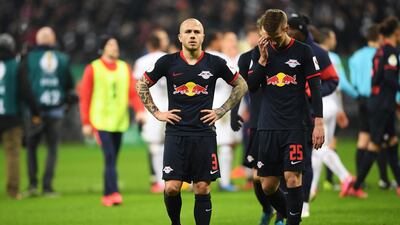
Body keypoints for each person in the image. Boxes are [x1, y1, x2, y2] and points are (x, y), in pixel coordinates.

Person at [136, 18, 247, 225]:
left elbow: (241, 84)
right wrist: (157, 113)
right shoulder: (167, 62)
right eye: (188, 32)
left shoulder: (215, 63)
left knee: (202, 187)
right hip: (175, 134)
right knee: (171, 188)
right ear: (180, 37)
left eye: (197, 32)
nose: (193, 35)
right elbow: (141, 84)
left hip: (204, 134)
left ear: (203, 36)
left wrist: (221, 110)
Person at [248, 9, 324, 225]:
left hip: (295, 126)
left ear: (286, 28)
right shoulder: (260, 51)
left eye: (275, 37)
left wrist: (318, 123)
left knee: (292, 178)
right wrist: (262, 61)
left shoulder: (303, 51)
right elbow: (252, 87)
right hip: (268, 126)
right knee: (268, 186)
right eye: (267, 37)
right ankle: (293, 218)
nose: (271, 41)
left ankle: (292, 222)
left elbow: (316, 89)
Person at [80, 35, 145, 206]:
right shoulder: (93, 68)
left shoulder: (124, 67)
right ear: (103, 48)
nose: (114, 47)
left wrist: (139, 111)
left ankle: (107, 194)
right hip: (100, 121)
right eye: (110, 44)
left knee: (112, 159)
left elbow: (133, 92)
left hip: (119, 121)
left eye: (115, 45)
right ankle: (113, 193)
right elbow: (85, 96)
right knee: (109, 156)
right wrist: (86, 122)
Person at [287, 13, 339, 218]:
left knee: (304, 161)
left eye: (290, 27)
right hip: (282, 116)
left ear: (300, 29)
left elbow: (332, 80)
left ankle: (305, 202)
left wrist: (311, 92)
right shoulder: (281, 50)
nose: (287, 31)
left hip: (306, 115)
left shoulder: (318, 52)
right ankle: (287, 204)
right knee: (283, 163)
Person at [349, 16, 400, 198]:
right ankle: (356, 186)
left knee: (392, 141)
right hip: (383, 104)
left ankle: (397, 184)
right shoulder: (391, 52)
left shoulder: (379, 52)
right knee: (375, 144)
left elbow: (376, 78)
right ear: (396, 32)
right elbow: (389, 78)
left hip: (376, 100)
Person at [230, 20, 274, 225]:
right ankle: (267, 209)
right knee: (258, 179)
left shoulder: (286, 57)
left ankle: (284, 215)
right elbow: (240, 87)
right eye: (265, 31)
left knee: (281, 177)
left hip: (281, 124)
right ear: (259, 33)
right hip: (257, 123)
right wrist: (234, 113)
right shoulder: (246, 58)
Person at [25, 27, 75, 196]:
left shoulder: (29, 58)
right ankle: (47, 187)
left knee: (31, 147)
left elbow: (24, 84)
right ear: (53, 40)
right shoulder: (62, 58)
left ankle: (32, 185)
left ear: (37, 41)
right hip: (56, 110)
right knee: (52, 148)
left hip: (34, 111)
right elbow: (69, 84)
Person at [0, 33, 40, 199]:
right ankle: (13, 190)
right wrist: (35, 112)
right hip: (11, 116)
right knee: (13, 154)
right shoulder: (16, 66)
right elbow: (26, 91)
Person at [133, 31, 168, 193]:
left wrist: (139, 110)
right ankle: (179, 179)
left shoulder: (141, 62)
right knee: (173, 143)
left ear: (148, 45)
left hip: (151, 109)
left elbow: (137, 87)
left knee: (155, 146)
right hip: (170, 105)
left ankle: (159, 182)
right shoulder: (170, 57)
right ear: (161, 44)